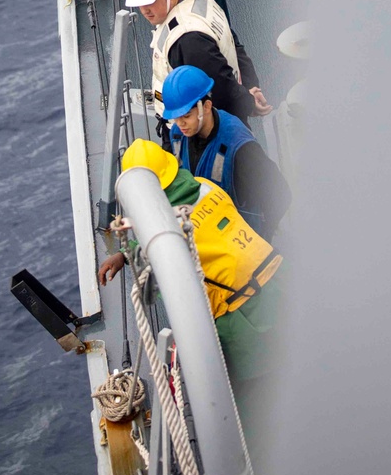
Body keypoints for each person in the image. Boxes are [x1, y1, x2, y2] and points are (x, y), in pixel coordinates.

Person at [97, 138, 284, 437]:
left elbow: (158, 283)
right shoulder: (202, 185)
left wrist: (129, 253)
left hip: (243, 316)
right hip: (276, 279)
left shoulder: (167, 230)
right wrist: (124, 254)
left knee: (255, 404)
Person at [123, 0, 270, 124]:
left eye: (150, 2)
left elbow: (220, 87)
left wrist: (248, 103)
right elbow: (232, 42)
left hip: (199, 128)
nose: (144, 11)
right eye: (140, 4)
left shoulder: (188, 39)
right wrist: (251, 86)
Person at [161, 65, 291, 240]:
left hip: (239, 242)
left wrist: (261, 240)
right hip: (203, 234)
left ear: (206, 106)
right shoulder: (177, 134)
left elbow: (280, 194)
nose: (180, 123)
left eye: (186, 116)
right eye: (175, 117)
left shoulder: (239, 146)